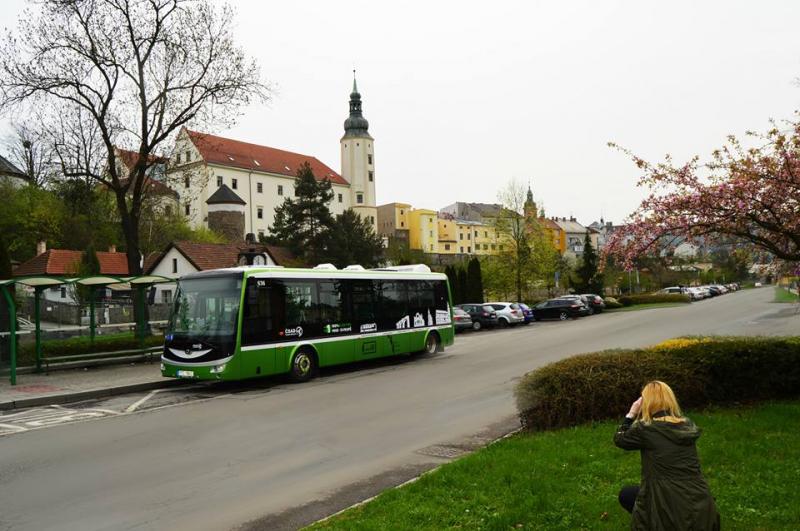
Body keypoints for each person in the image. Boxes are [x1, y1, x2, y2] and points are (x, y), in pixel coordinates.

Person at [614, 380, 720, 530]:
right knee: (632, 493)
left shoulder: (646, 429)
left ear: (646, 402)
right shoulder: (686, 425)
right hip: (701, 507)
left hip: (667, 506)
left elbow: (620, 438)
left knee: (627, 494)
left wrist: (631, 413)